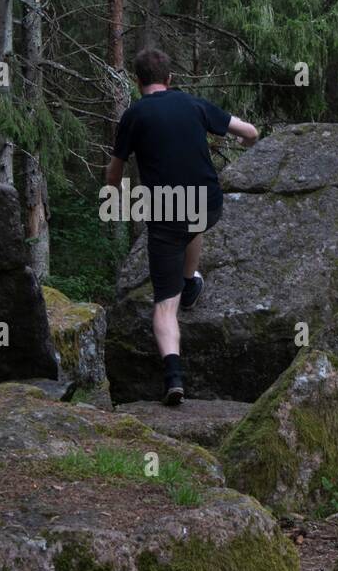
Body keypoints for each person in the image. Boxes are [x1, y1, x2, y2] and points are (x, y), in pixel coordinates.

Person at [104, 47, 259, 405]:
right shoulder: (194, 104)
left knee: (164, 303)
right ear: (170, 79)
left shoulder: (134, 115)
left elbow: (114, 173)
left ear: (137, 81)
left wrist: (112, 191)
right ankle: (190, 282)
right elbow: (249, 131)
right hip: (208, 204)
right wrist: (244, 141)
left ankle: (174, 376)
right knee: (193, 222)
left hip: (166, 213)